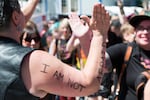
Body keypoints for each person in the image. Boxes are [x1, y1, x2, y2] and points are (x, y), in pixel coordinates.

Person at [0, 1, 110, 100]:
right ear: (15, 17)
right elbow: (89, 84)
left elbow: (15, 20)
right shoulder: (32, 62)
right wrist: (99, 35)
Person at [104, 15, 150, 100]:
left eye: (149, 28)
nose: (145, 32)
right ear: (135, 31)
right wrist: (97, 37)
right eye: (140, 28)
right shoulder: (124, 50)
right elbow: (99, 63)